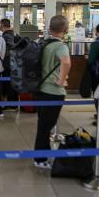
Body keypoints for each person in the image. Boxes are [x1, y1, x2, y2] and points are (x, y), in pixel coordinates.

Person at [33, 15, 71, 169]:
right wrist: (62, 80)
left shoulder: (42, 42)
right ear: (65, 29)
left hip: (40, 89)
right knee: (46, 126)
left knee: (43, 125)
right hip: (53, 91)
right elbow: (66, 62)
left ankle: (42, 155)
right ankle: (40, 159)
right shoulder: (60, 46)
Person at [0, 19, 20, 107]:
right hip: (15, 63)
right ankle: (14, 103)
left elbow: (12, 46)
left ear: (2, 25)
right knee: (12, 83)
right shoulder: (14, 34)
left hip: (8, 63)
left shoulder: (6, 36)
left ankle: (11, 105)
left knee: (8, 84)